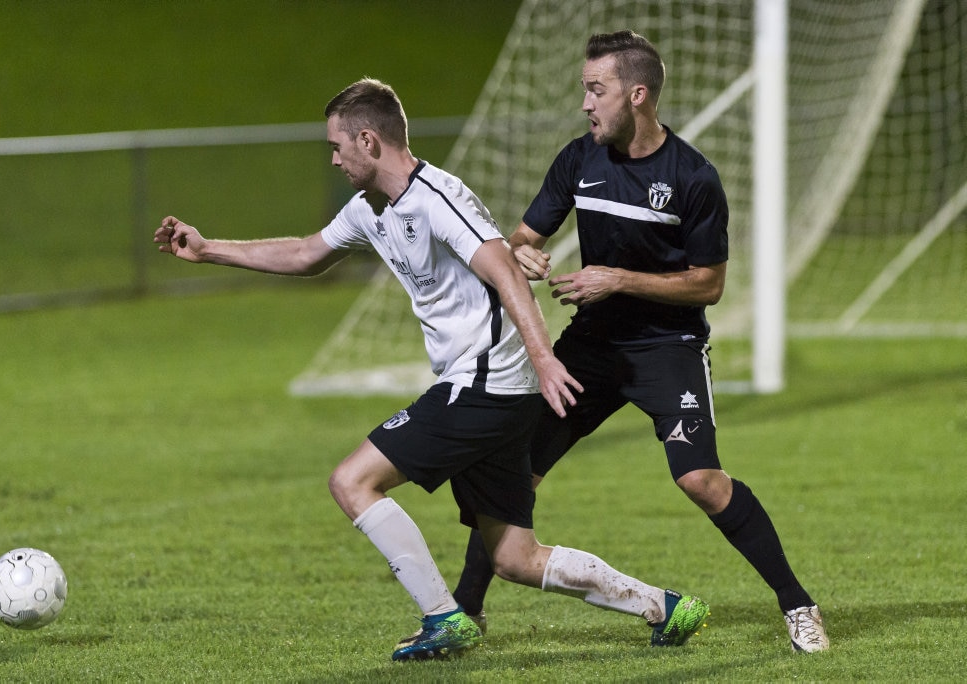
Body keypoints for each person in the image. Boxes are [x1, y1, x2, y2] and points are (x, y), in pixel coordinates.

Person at [154, 78, 710, 661]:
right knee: (514, 557)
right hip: (495, 390)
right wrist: (208, 247)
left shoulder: (438, 198)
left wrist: (545, 358)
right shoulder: (370, 208)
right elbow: (304, 253)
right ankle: (664, 607)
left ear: (368, 140)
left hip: (486, 382)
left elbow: (506, 271)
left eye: (337, 147)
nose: (335, 158)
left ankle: (444, 617)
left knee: (352, 481)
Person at [449, 31, 831, 654]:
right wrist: (526, 254)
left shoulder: (693, 177)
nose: (585, 104)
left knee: (701, 480)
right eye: (584, 90)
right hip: (592, 347)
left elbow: (708, 285)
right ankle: (464, 612)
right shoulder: (578, 160)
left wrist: (617, 278)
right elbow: (520, 237)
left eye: (595, 90)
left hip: (668, 347)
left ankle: (798, 604)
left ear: (638, 94)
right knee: (513, 471)